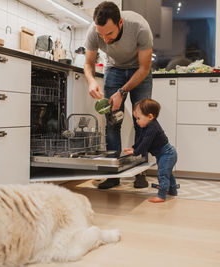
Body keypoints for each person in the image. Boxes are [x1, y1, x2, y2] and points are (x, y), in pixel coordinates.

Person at [84, 1, 153, 189]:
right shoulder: (94, 31)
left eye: (109, 34)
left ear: (120, 23)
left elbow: (145, 67)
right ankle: (113, 174)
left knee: (142, 121)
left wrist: (122, 92)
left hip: (140, 71)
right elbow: (89, 63)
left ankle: (140, 171)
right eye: (101, 35)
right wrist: (91, 81)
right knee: (112, 122)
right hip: (114, 69)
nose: (104, 39)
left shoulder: (140, 27)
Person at [124, 98, 178, 203]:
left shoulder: (153, 127)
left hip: (167, 154)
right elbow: (141, 139)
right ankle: (173, 191)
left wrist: (135, 152)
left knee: (162, 174)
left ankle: (161, 196)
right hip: (164, 154)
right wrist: (134, 147)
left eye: (138, 118)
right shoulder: (147, 126)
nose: (137, 121)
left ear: (150, 116)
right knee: (168, 174)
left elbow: (145, 143)